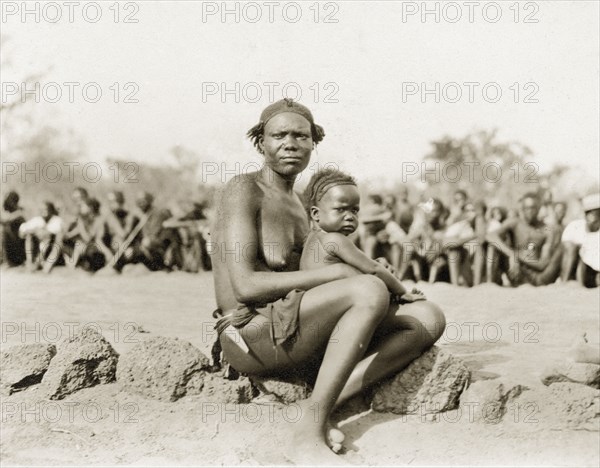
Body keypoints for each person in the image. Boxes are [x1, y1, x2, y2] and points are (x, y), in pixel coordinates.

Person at [210, 99, 445, 464]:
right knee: (368, 289)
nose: (291, 143)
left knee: (428, 317)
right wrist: (341, 275)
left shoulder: (302, 206)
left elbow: (317, 277)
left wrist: (365, 271)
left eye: (301, 136)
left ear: (313, 144)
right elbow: (246, 287)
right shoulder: (244, 190)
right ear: (261, 144)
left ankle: (317, 406)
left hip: (295, 334)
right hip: (251, 337)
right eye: (280, 135)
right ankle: (308, 434)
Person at [300, 168, 425, 303]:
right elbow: (373, 269)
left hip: (317, 303)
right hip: (329, 304)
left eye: (354, 210)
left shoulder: (313, 238)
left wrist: (378, 266)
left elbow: (359, 268)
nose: (350, 217)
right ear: (315, 214)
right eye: (340, 209)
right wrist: (402, 292)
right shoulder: (335, 239)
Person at [487, 192, 562, 286]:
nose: (529, 211)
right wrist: (511, 254)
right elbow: (490, 236)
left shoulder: (546, 230)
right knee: (493, 246)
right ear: (522, 209)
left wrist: (517, 257)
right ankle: (490, 284)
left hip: (537, 277)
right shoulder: (515, 223)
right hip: (517, 273)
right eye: (526, 208)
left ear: (539, 208)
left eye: (533, 208)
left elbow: (543, 264)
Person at [560, 193, 600, 287]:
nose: (591, 216)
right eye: (588, 212)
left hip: (594, 270)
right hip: (576, 268)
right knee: (576, 252)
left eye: (595, 212)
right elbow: (565, 249)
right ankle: (565, 283)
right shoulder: (575, 227)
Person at [18, 201, 65, 273]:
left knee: (58, 241)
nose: (44, 211)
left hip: (51, 249)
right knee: (29, 236)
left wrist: (42, 231)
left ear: (51, 210)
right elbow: (22, 230)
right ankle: (30, 263)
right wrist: (34, 231)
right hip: (39, 249)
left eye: (46, 209)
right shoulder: (37, 220)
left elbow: (56, 231)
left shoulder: (57, 220)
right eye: (42, 209)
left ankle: (47, 266)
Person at [0, 191, 26, 267]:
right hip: (13, 243)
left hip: (19, 245)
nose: (5, 202)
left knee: (3, 231)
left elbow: (5, 221)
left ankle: (7, 261)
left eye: (7, 200)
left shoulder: (19, 212)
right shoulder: (10, 213)